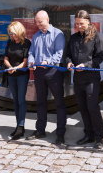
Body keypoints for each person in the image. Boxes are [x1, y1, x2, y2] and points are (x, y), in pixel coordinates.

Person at [66, 10, 103, 149]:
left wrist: (86, 65)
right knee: (82, 108)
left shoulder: (96, 37)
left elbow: (99, 57)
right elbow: (68, 54)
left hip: (91, 79)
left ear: (88, 21)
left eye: (81, 23)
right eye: (77, 24)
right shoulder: (73, 38)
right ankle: (88, 134)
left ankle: (99, 137)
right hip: (77, 79)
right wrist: (69, 63)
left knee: (92, 107)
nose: (79, 26)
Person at [26, 10, 66, 145]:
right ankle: (40, 130)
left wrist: (47, 62)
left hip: (53, 72)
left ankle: (60, 133)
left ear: (47, 19)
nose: (38, 25)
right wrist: (31, 61)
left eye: (40, 22)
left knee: (59, 103)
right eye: (36, 22)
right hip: (38, 73)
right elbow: (31, 52)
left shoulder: (58, 34)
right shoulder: (36, 36)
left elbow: (59, 54)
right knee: (41, 102)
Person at [4, 21, 31, 140]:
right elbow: (5, 58)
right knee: (15, 101)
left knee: (21, 101)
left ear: (19, 31)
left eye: (14, 33)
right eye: (10, 33)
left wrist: (16, 68)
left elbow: (25, 62)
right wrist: (9, 67)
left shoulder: (26, 43)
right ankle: (18, 125)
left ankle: (21, 126)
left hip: (22, 75)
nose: (12, 36)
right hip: (11, 75)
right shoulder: (9, 42)